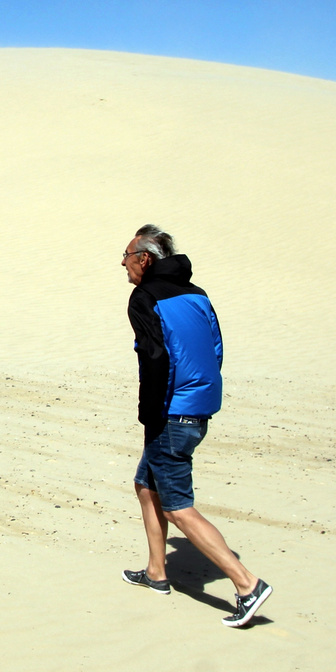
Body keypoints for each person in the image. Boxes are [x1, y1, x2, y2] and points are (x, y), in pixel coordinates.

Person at [119, 224, 271, 628]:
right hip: (198, 409)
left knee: (179, 507)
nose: (123, 263)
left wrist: (151, 414)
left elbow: (154, 359)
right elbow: (216, 348)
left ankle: (247, 584)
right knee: (145, 484)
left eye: (127, 255)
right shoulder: (198, 295)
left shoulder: (144, 297)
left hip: (171, 413)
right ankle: (156, 572)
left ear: (145, 259)